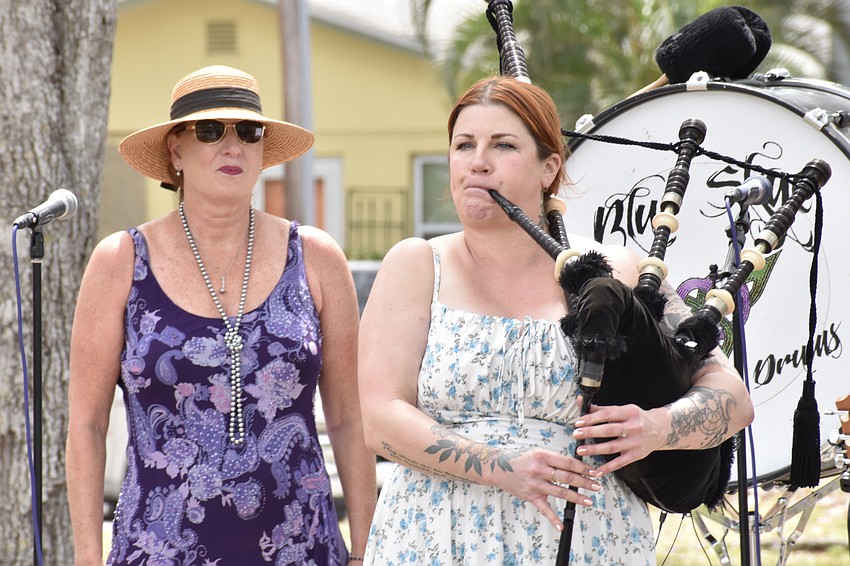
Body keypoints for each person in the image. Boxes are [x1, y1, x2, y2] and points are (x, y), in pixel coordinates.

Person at [357, 75, 754, 564]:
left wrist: (657, 427)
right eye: (464, 145)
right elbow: (380, 418)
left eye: (503, 145)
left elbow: (732, 399)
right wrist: (501, 467)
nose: (477, 161)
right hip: (434, 535)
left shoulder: (615, 272)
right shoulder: (416, 264)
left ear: (549, 168)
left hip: (589, 535)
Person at [66, 65, 375, 566]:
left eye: (248, 132)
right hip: (159, 549)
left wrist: (364, 550)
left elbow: (349, 417)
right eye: (210, 131)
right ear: (176, 150)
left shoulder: (317, 257)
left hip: (301, 546)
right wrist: (86, 558)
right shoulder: (119, 262)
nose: (233, 146)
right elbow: (85, 424)